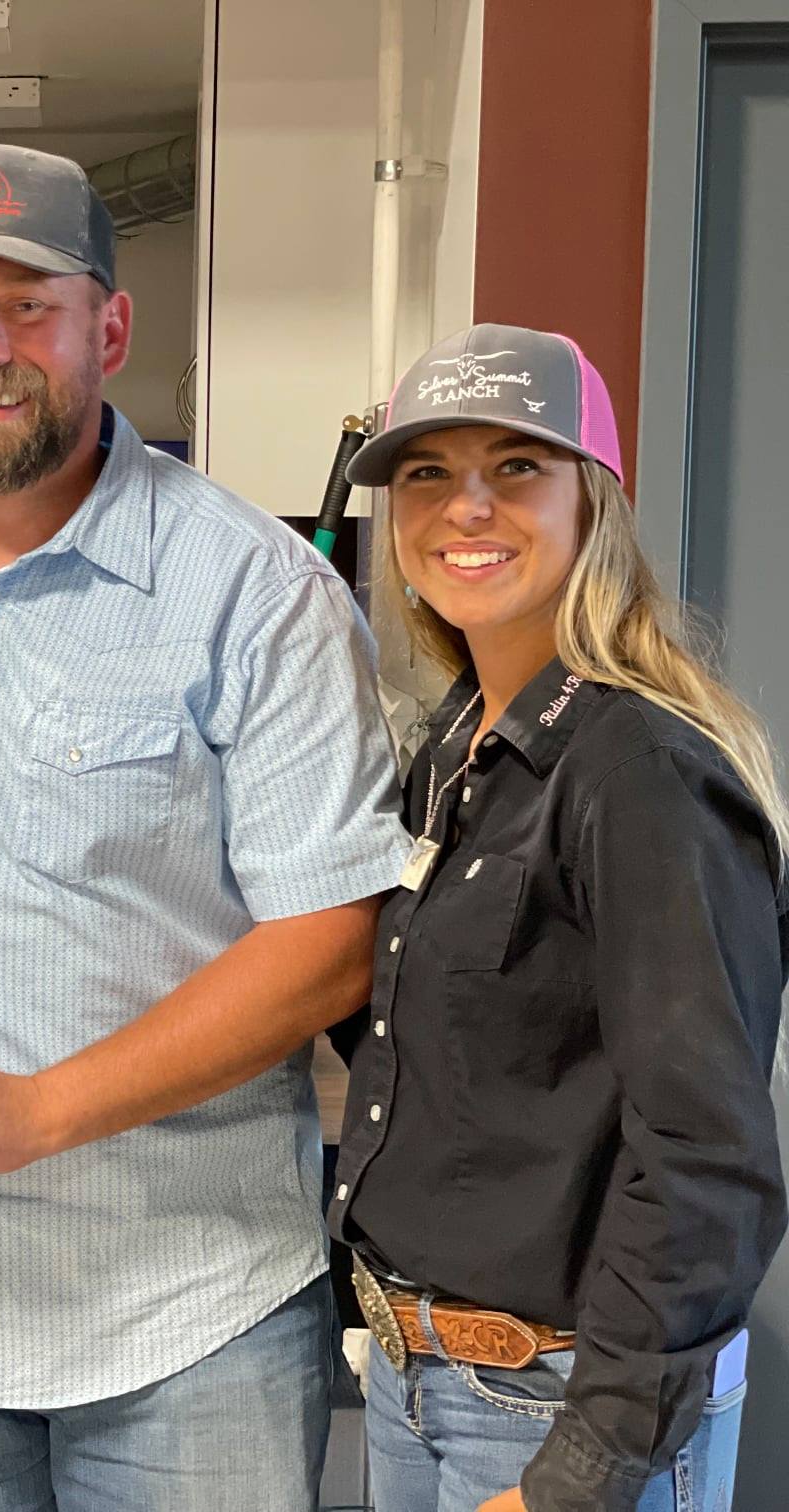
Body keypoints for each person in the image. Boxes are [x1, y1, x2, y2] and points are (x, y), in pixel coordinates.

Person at [0, 142, 412, 1511]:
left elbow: (330, 944)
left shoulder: (253, 593)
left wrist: (35, 1110)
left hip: (182, 1319)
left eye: (26, 308)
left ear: (109, 325)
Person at [329, 323, 787, 1512]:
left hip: (552, 1412)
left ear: (594, 500)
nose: (465, 508)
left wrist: (582, 1473)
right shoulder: (460, 741)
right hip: (418, 1377)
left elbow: (708, 1160)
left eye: (515, 467)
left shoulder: (637, 766)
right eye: (428, 473)